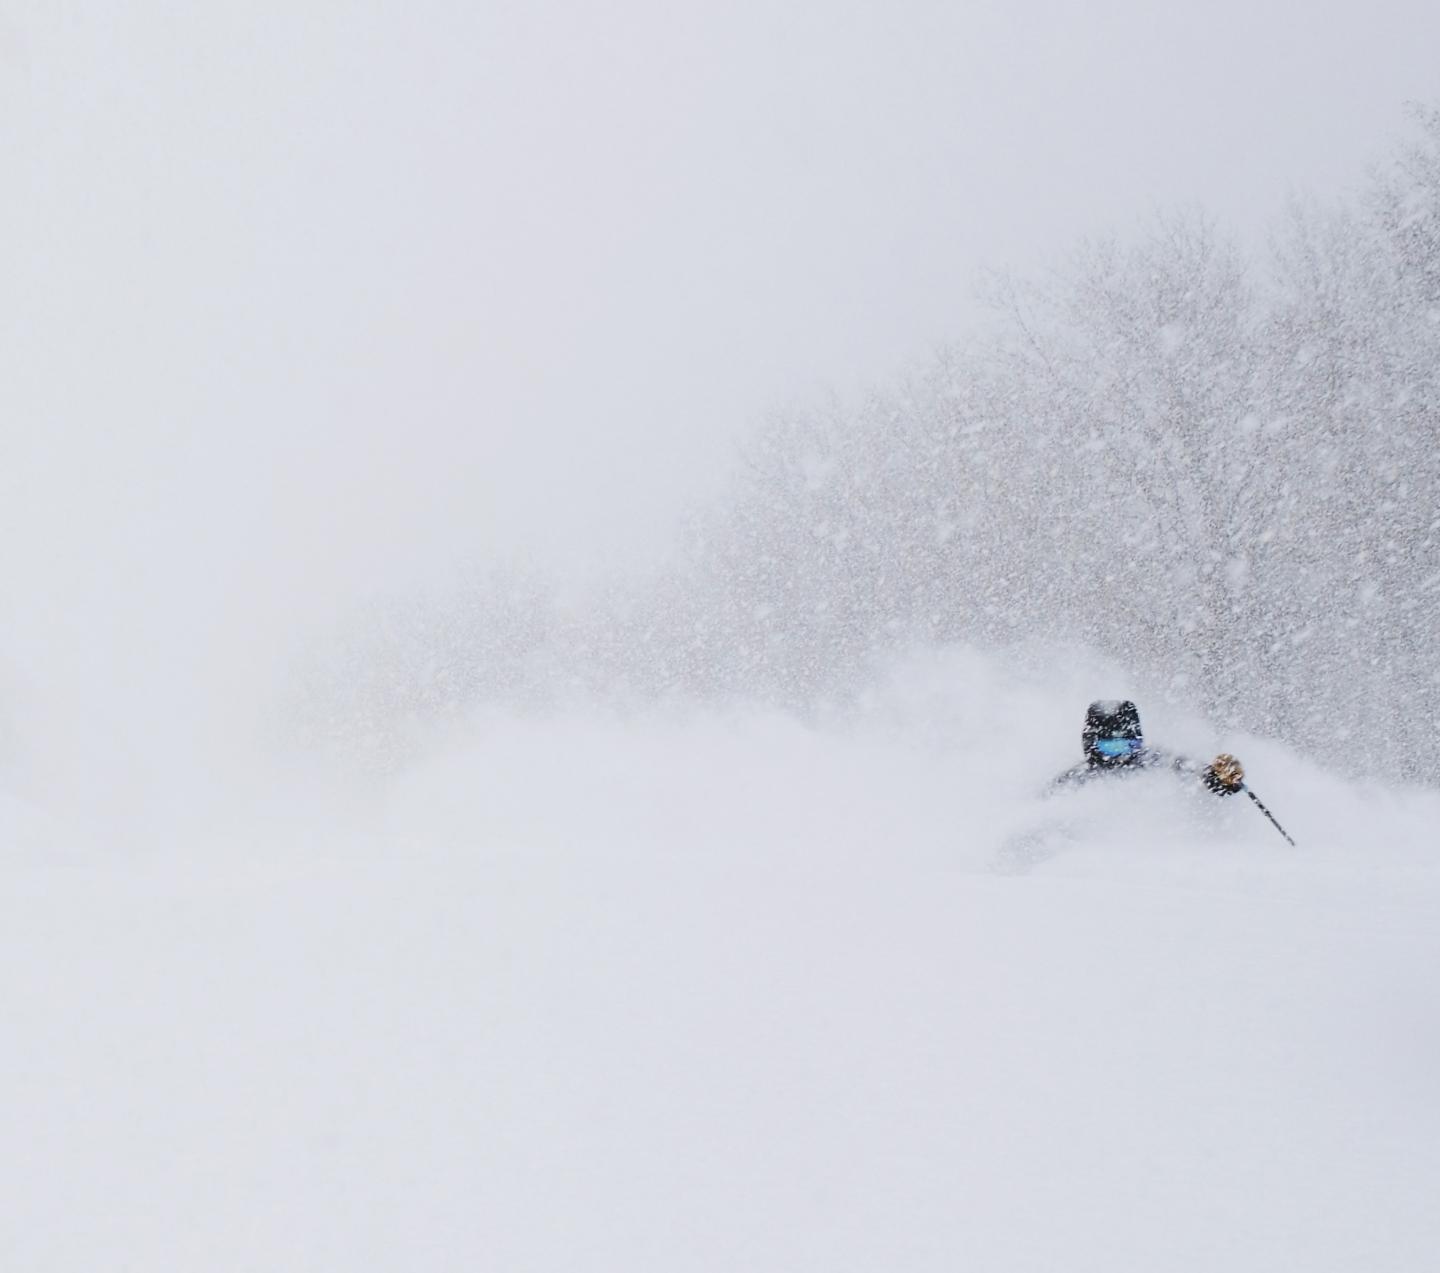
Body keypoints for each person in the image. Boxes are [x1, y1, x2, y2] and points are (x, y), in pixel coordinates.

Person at [1052, 699, 1244, 797]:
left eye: (1128, 745)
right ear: (1091, 746)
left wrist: (1222, 779)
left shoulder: (1156, 761)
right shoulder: (1075, 781)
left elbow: (1198, 774)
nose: (1120, 756)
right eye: (1110, 747)